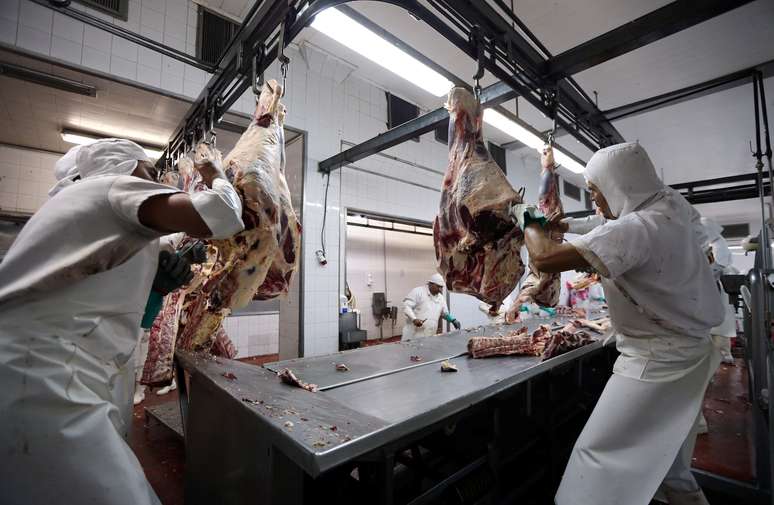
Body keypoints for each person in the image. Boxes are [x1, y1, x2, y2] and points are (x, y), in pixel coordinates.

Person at [0, 139, 245, 505]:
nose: (155, 180)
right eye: (148, 172)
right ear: (119, 168)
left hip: (51, 372)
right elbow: (223, 213)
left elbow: (106, 304)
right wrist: (214, 174)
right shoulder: (107, 188)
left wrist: (157, 289)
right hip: (45, 379)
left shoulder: (82, 212)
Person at [512, 142, 724, 505]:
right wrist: (569, 223)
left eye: (595, 191)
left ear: (618, 187)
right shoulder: (668, 203)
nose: (594, 200)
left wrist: (528, 222)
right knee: (666, 456)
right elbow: (609, 220)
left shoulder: (638, 229)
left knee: (596, 458)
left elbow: (545, 259)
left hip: (656, 360)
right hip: (689, 349)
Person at [702, 217, 739, 365]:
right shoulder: (713, 244)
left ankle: (723, 354)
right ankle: (717, 356)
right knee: (715, 328)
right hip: (712, 290)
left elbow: (718, 266)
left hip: (718, 290)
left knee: (720, 328)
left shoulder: (718, 244)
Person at [402, 273, 461, 340]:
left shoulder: (441, 298)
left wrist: (453, 320)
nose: (440, 290)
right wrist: (414, 319)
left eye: (441, 287)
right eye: (438, 286)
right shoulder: (418, 292)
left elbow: (444, 313)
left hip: (430, 335)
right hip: (413, 335)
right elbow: (406, 306)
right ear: (430, 284)